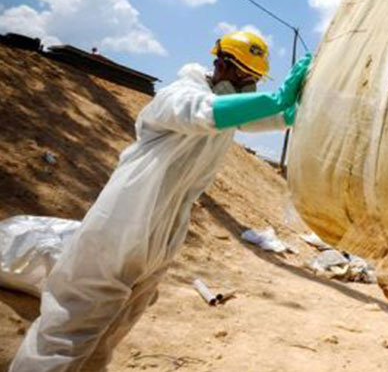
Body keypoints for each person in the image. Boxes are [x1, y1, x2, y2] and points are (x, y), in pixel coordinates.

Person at [11, 31, 312, 372]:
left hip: (159, 241)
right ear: (221, 64)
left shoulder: (229, 112)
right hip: (117, 231)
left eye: (253, 80)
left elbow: (276, 116)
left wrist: (309, 99)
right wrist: (276, 100)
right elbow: (208, 112)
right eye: (243, 76)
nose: (248, 87)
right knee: (67, 334)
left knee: (108, 337)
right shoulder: (180, 95)